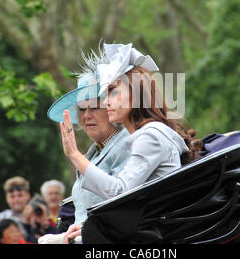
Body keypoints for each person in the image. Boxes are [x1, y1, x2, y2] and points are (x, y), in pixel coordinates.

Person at [58, 43, 201, 243]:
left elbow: (119, 192)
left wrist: (74, 154)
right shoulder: (148, 134)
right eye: (106, 94)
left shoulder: (150, 135)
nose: (107, 101)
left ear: (136, 94)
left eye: (114, 92)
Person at [39, 48, 132, 244]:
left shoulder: (126, 143)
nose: (86, 115)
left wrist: (74, 154)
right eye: (82, 108)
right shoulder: (94, 153)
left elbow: (120, 201)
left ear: (111, 107)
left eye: (94, 107)